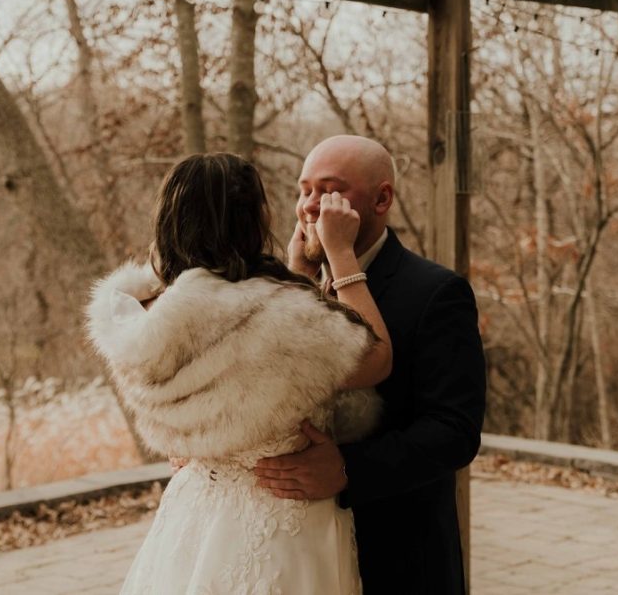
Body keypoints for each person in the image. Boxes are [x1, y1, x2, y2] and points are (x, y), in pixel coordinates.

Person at [86, 152, 392, 595]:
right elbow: (376, 359)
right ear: (252, 220)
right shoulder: (281, 316)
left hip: (193, 512)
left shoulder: (142, 317)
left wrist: (298, 273)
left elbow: (242, 339)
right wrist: (342, 256)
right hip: (282, 522)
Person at [253, 135, 487, 595]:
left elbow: (455, 432)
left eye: (331, 191)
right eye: (304, 191)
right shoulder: (286, 284)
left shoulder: (436, 292)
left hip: (397, 556)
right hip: (294, 553)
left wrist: (347, 470)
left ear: (381, 199)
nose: (311, 206)